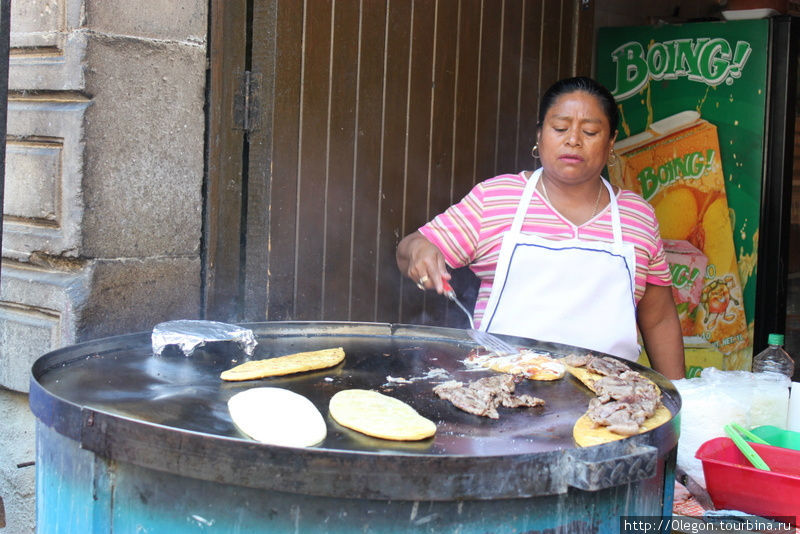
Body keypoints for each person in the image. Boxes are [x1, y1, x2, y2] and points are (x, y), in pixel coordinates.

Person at [396, 76, 685, 380]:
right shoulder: (498, 198)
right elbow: (411, 248)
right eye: (560, 128)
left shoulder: (637, 216)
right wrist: (420, 251)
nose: (573, 139)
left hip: (611, 398)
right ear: (540, 134)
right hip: (501, 390)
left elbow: (659, 319)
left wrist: (685, 396)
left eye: (590, 131)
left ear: (611, 141)